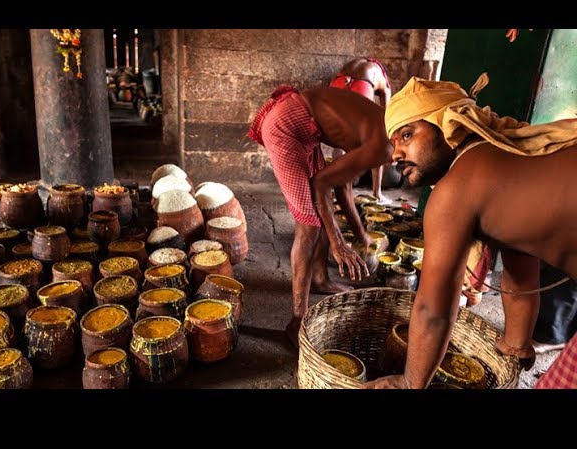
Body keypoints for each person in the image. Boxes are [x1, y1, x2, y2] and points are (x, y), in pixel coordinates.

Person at [360, 73, 577, 389]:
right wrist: (516, 341)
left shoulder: (455, 189)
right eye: (394, 143)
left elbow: (433, 309)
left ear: (446, 123)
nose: (396, 154)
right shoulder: (503, 161)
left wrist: (409, 383)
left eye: (406, 135)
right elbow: (520, 270)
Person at [247, 85, 393, 346]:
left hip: (305, 128)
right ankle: (296, 322)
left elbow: (342, 186)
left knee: (323, 214)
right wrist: (338, 244)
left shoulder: (388, 125)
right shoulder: (385, 146)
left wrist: (361, 236)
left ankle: (319, 278)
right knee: (309, 224)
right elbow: (322, 185)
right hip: (286, 125)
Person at [330, 57, 393, 204]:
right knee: (378, 141)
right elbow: (386, 116)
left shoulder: (359, 64)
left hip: (338, 82)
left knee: (340, 142)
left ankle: (337, 191)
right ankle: (377, 194)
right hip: (362, 86)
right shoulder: (384, 82)